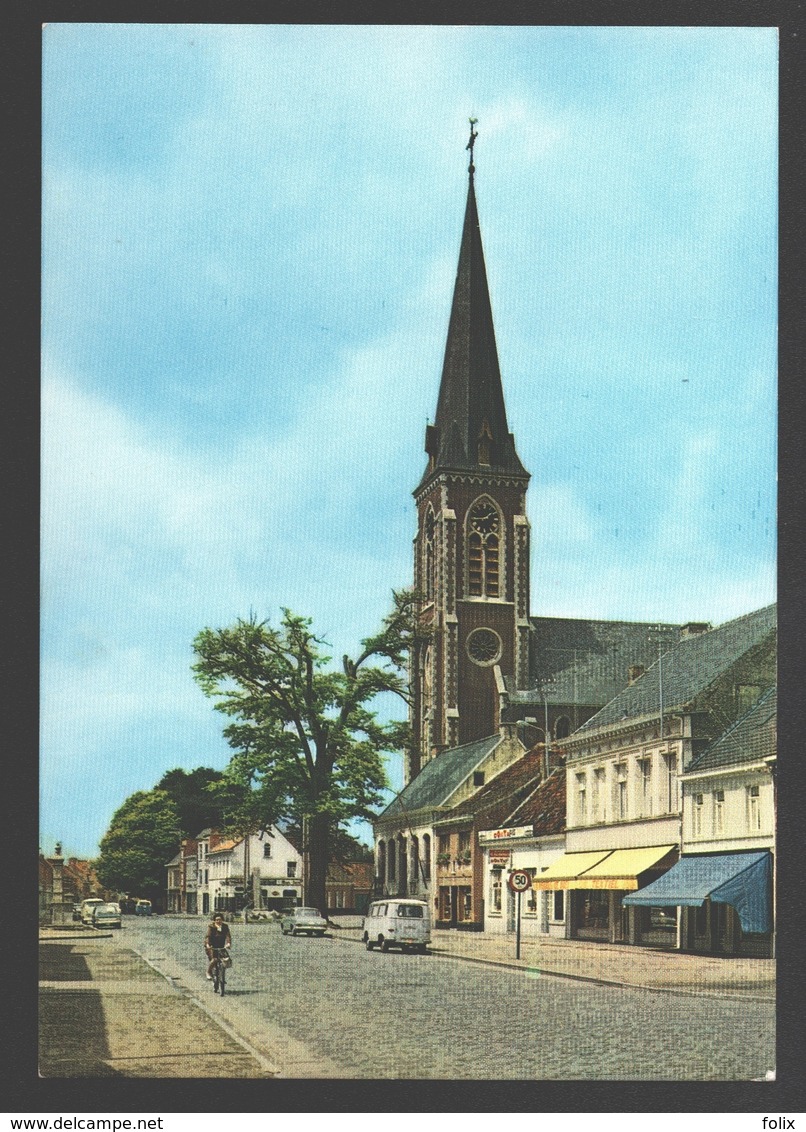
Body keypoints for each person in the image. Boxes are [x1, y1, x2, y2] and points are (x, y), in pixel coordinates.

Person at [204, 913, 232, 979]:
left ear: (222, 920)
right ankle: (208, 972)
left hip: (221, 945)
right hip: (211, 946)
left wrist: (228, 943)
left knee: (226, 958)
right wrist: (208, 945)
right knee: (214, 959)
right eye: (217, 920)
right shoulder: (211, 927)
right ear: (214, 920)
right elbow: (208, 936)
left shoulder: (225, 926)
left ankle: (222, 972)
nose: (218, 921)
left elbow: (228, 936)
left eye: (220, 920)